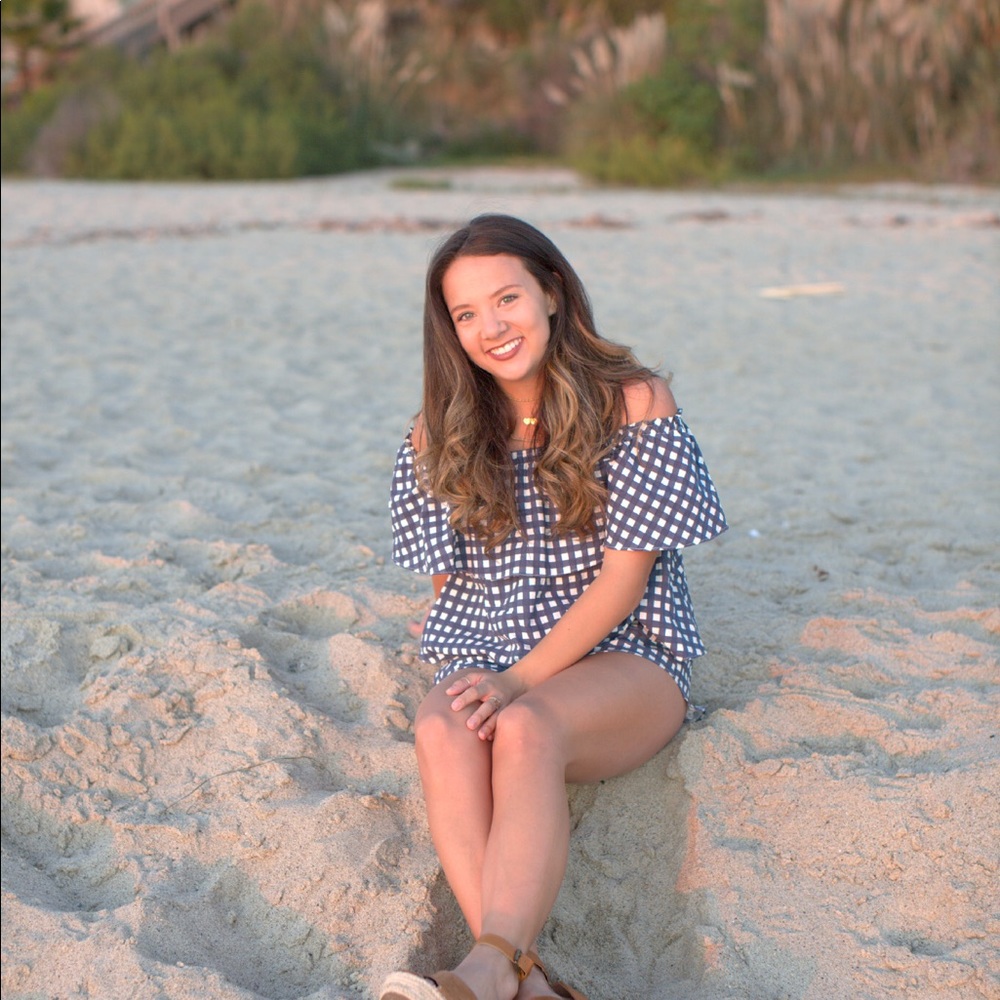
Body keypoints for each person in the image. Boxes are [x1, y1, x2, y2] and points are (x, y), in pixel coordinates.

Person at [381, 215, 727, 1000]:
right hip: (493, 646)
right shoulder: (437, 432)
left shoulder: (633, 401)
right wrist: (462, 641)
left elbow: (624, 583)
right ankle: (520, 983)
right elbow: (448, 574)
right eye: (466, 314)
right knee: (441, 726)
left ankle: (488, 967)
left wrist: (519, 681)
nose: (490, 327)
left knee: (527, 725)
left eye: (506, 299)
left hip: (626, 655)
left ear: (553, 292)